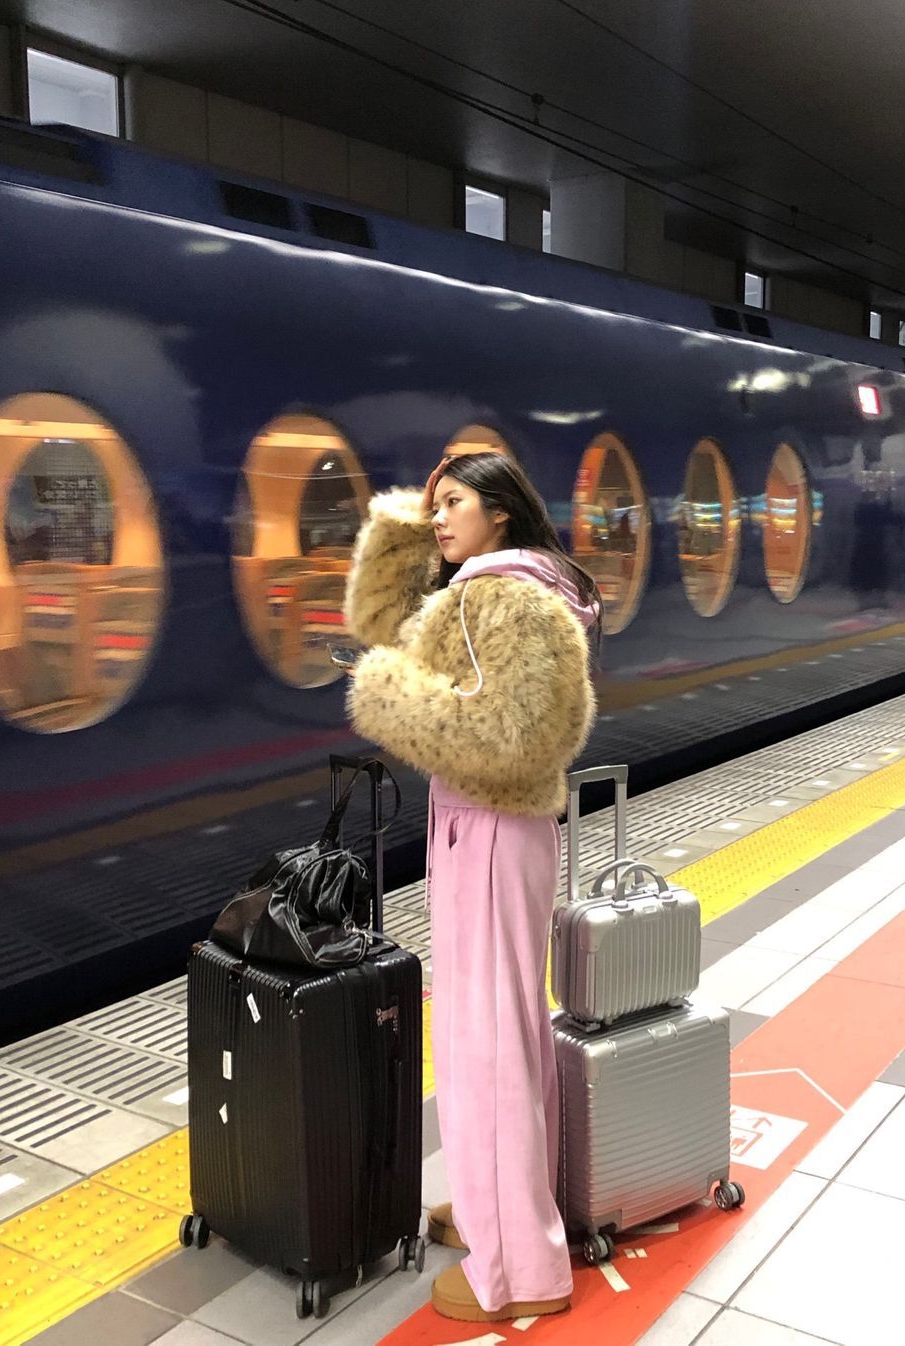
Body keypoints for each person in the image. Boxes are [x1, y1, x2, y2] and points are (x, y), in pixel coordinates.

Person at [343, 451, 601, 1323]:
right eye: (434, 504)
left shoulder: (504, 598)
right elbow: (385, 623)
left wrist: (388, 699)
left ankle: (519, 1268)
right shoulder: (502, 587)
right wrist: (403, 532)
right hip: (489, 830)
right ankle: (506, 1214)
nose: (439, 516)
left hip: (490, 827)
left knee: (484, 1044)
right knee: (500, 1032)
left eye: (454, 502)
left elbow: (511, 739)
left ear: (501, 512)